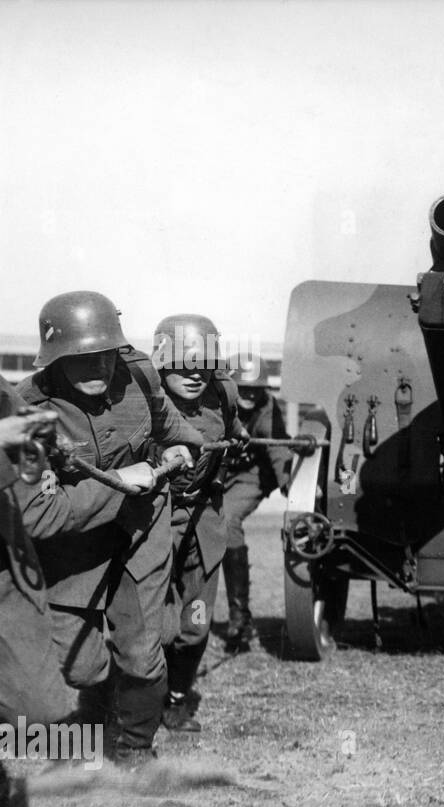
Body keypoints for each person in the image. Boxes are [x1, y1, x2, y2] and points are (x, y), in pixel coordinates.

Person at [18, 291, 202, 763]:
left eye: (103, 356)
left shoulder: (138, 375)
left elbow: (173, 428)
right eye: (80, 360)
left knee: (141, 651)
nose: (97, 369)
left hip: (141, 526)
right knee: (80, 668)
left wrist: (184, 449)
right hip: (71, 543)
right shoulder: (27, 414)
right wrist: (121, 481)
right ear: (53, 360)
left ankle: (136, 746)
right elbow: (41, 514)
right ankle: (99, 708)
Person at [155, 315, 246, 731]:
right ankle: (141, 699)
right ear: (161, 361)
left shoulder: (222, 392)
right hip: (153, 521)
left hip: (204, 519)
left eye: (204, 362)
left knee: (195, 624)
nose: (194, 372)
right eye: (182, 361)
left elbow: (232, 424)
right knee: (157, 625)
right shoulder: (143, 400)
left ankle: (177, 697)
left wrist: (238, 432)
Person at [220, 352, 290, 651]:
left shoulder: (268, 410)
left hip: (252, 474)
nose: (249, 394)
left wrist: (291, 487)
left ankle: (240, 618)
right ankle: (190, 619)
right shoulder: (214, 404)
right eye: (242, 388)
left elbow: (278, 451)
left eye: (255, 388)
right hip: (217, 474)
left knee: (227, 520)